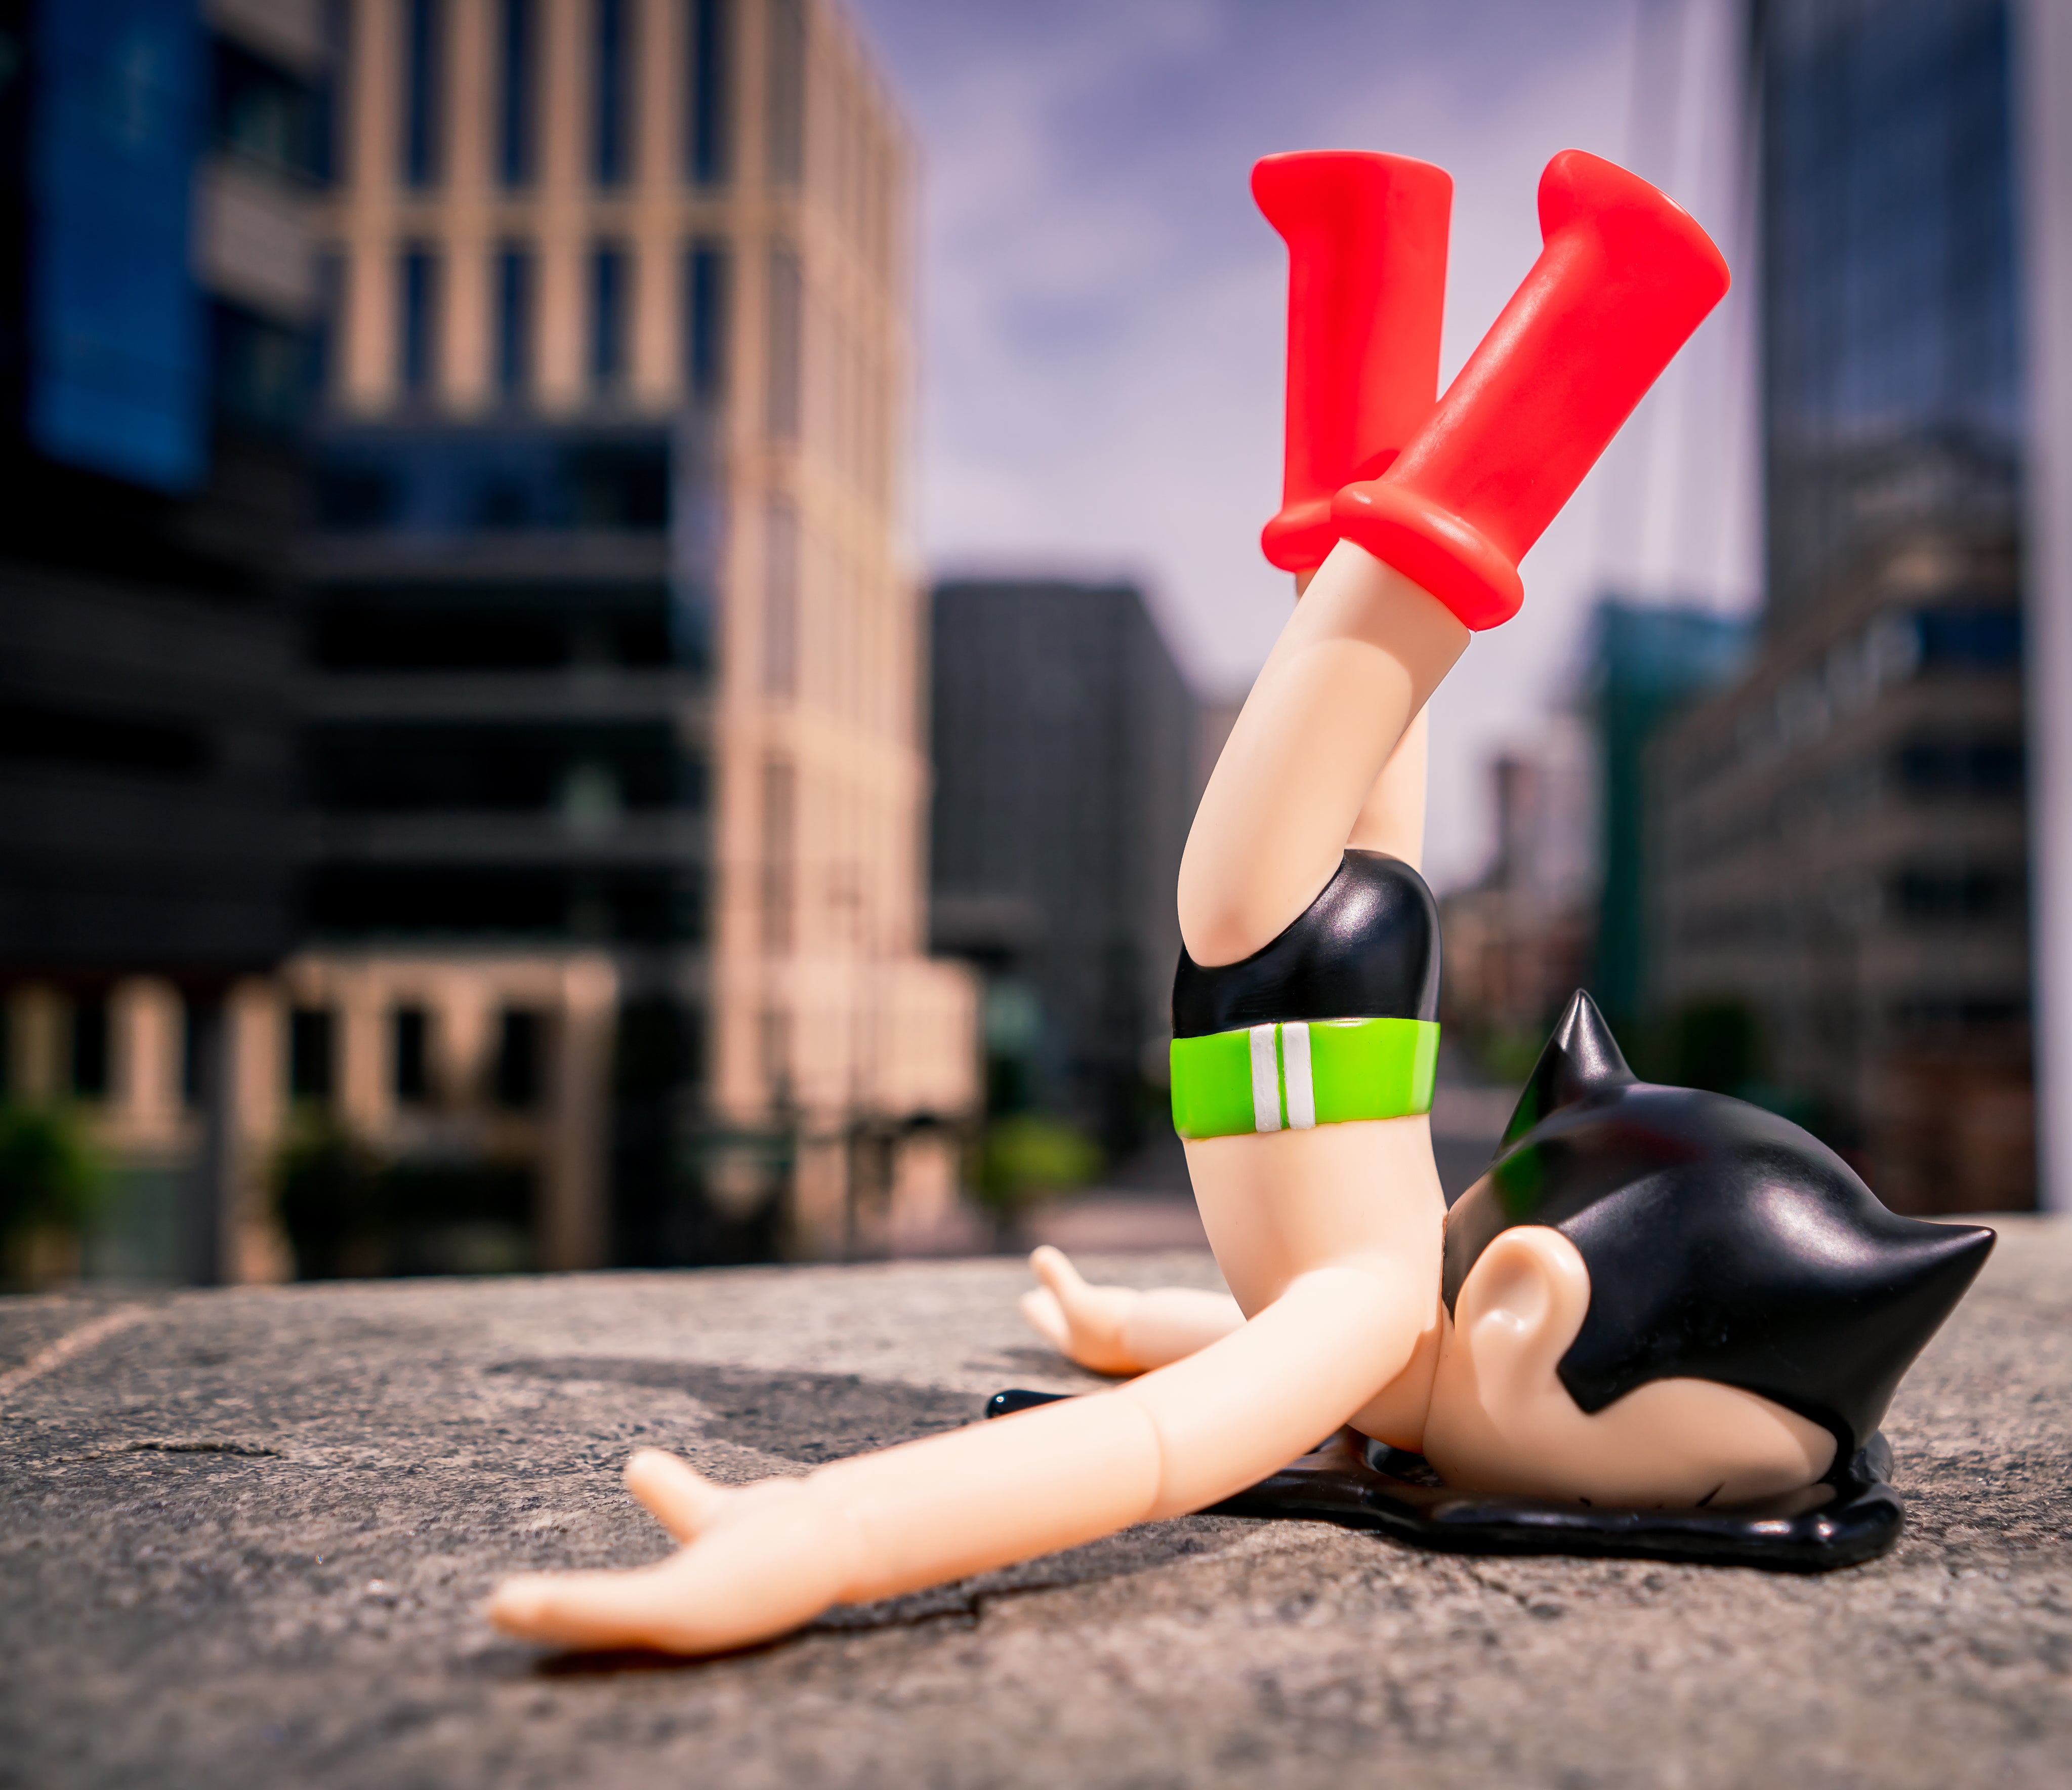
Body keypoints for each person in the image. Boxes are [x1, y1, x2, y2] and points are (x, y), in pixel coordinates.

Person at [486, 148, 1834, 1656]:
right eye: (1700, 1483)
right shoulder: (1375, 1331)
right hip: (1299, 1022)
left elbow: (1167, 1416)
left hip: (1330, 1022)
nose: (1693, 1496)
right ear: (1528, 1312)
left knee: (1352, 679)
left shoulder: (1380, 1336)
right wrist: (822, 1535)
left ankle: (1376, 255)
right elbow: (1146, 1452)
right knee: (1349, 667)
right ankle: (1603, 305)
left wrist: (863, 1504)